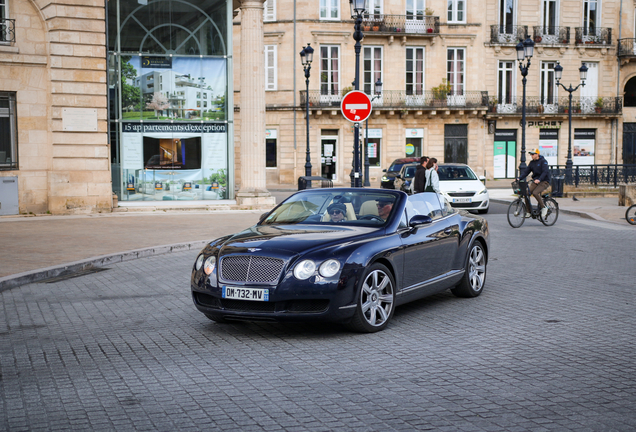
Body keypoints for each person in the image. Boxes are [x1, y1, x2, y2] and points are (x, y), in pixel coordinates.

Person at [517, 148, 551, 218]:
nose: (531, 156)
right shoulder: (532, 163)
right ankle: (529, 211)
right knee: (526, 193)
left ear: (537, 154)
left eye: (533, 154)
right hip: (535, 181)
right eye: (531, 154)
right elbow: (526, 171)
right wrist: (519, 178)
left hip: (544, 181)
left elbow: (545, 172)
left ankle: (544, 207)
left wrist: (539, 179)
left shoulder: (543, 161)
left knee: (535, 193)